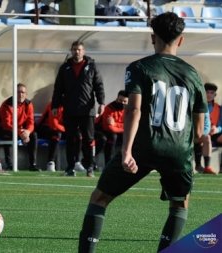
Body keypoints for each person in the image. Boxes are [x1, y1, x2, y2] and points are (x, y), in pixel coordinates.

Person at [78, 12, 208, 253]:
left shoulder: (140, 67)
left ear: (152, 38)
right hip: (179, 150)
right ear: (181, 40)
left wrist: (126, 151)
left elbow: (134, 110)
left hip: (144, 147)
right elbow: (199, 129)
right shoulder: (193, 75)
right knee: (179, 206)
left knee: (99, 199)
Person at [51, 40, 105, 178]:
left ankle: (90, 167)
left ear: (84, 51)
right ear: (71, 51)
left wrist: (102, 103)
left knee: (89, 139)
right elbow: (58, 88)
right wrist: (55, 105)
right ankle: (70, 168)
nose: (77, 52)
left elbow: (98, 85)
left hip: (87, 110)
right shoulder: (65, 68)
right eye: (74, 49)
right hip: (70, 109)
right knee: (70, 139)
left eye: (79, 49)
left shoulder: (92, 66)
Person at [0, 83, 40, 171]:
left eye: (22, 92)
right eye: (18, 92)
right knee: (8, 135)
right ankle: (10, 164)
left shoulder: (29, 105)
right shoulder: (7, 105)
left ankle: (33, 164)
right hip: (0, 128)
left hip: (18, 129)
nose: (21, 94)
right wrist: (20, 132)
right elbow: (6, 125)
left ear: (26, 94)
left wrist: (27, 132)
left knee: (33, 135)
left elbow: (31, 122)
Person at [94, 90, 128, 165]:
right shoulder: (109, 108)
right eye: (120, 100)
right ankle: (108, 163)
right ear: (117, 99)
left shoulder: (129, 110)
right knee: (112, 136)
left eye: (125, 101)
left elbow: (129, 127)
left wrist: (115, 124)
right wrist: (123, 127)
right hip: (102, 130)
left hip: (118, 131)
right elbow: (108, 127)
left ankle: (127, 162)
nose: (122, 103)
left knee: (128, 137)